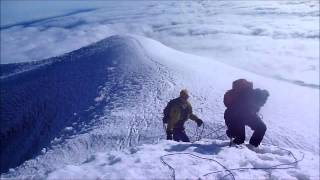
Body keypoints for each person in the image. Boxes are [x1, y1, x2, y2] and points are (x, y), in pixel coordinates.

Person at [224, 79, 269, 147]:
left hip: (245, 116)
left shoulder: (254, 98)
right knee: (240, 139)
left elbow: (251, 113)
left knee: (261, 127)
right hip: (237, 117)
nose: (263, 104)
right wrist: (231, 130)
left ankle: (251, 147)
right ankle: (236, 151)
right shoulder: (244, 99)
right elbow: (231, 114)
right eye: (263, 102)